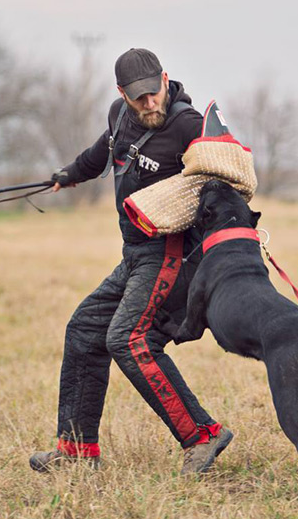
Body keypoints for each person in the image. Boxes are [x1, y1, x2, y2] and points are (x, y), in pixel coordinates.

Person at [30, 48, 233, 474]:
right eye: (138, 97)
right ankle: (76, 451)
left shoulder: (188, 126)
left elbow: (231, 182)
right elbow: (101, 153)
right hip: (138, 254)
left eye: (154, 93)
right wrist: (65, 175)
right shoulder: (118, 115)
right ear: (122, 93)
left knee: (129, 338)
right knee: (85, 329)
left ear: (165, 79)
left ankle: (204, 435)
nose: (149, 103)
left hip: (175, 253)